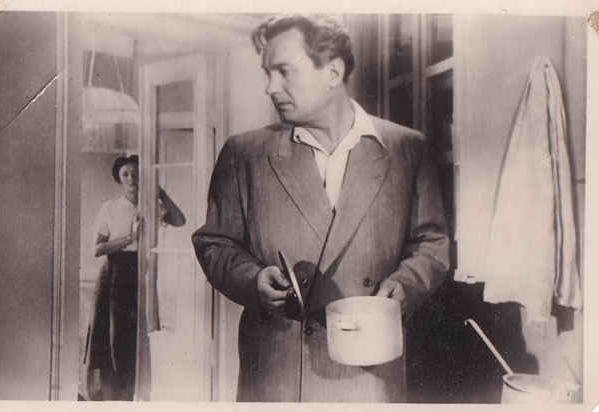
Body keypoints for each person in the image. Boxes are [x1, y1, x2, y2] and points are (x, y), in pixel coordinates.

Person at [192, 14, 450, 402]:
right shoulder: (244, 154)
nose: (270, 88)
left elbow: (432, 244)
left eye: (284, 71)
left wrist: (406, 284)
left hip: (368, 369)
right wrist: (253, 279)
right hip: (278, 376)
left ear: (333, 72)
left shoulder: (407, 149)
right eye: (267, 74)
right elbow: (214, 243)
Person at [83, 154, 185, 400]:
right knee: (109, 333)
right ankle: (107, 393)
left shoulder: (151, 207)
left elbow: (180, 220)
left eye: (136, 174)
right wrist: (130, 238)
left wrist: (160, 192)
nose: (131, 178)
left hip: (140, 272)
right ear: (119, 179)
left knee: (133, 334)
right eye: (126, 174)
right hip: (113, 273)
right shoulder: (110, 207)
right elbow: (97, 249)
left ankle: (131, 392)